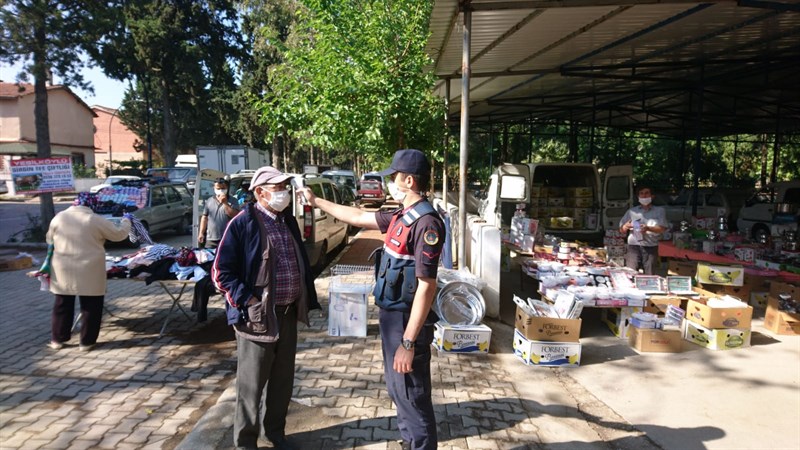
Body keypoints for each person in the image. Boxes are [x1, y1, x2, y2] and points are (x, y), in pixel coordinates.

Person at [299, 149, 445, 450]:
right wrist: (316, 201)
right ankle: (409, 443)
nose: (391, 182)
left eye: (394, 177)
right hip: (392, 318)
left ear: (409, 179)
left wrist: (408, 343)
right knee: (398, 389)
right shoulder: (400, 215)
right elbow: (356, 216)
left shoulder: (427, 223)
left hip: (407, 323)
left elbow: (426, 287)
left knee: (412, 394)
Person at [212, 166, 320, 450]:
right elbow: (221, 272)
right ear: (260, 193)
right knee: (250, 387)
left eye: (286, 186)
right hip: (256, 321)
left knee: (283, 381)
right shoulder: (243, 223)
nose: (284, 193)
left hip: (287, 314)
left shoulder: (287, 221)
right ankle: (246, 443)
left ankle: (275, 434)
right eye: (278, 188)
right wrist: (248, 301)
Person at [43, 192, 132, 351]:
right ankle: (86, 342)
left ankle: (58, 339)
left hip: (63, 267)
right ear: (92, 205)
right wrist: (127, 221)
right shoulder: (94, 219)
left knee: (62, 304)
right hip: (89, 268)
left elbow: (49, 239)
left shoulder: (59, 217)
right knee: (91, 305)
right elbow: (118, 235)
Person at [619, 186, 667, 275]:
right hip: (633, 247)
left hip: (650, 247)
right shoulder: (631, 211)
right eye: (641, 193)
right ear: (638, 197)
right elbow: (621, 229)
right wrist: (626, 226)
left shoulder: (659, 211)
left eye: (646, 193)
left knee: (650, 275)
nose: (644, 196)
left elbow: (662, 228)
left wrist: (648, 228)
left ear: (652, 196)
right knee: (631, 274)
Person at [198, 178, 239, 249]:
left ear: (227, 188)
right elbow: (204, 218)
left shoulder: (233, 201)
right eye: (218, 188)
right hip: (211, 239)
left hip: (227, 238)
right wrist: (201, 233)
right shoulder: (209, 201)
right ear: (214, 188)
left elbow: (234, 215)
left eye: (223, 188)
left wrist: (225, 203)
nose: (220, 190)